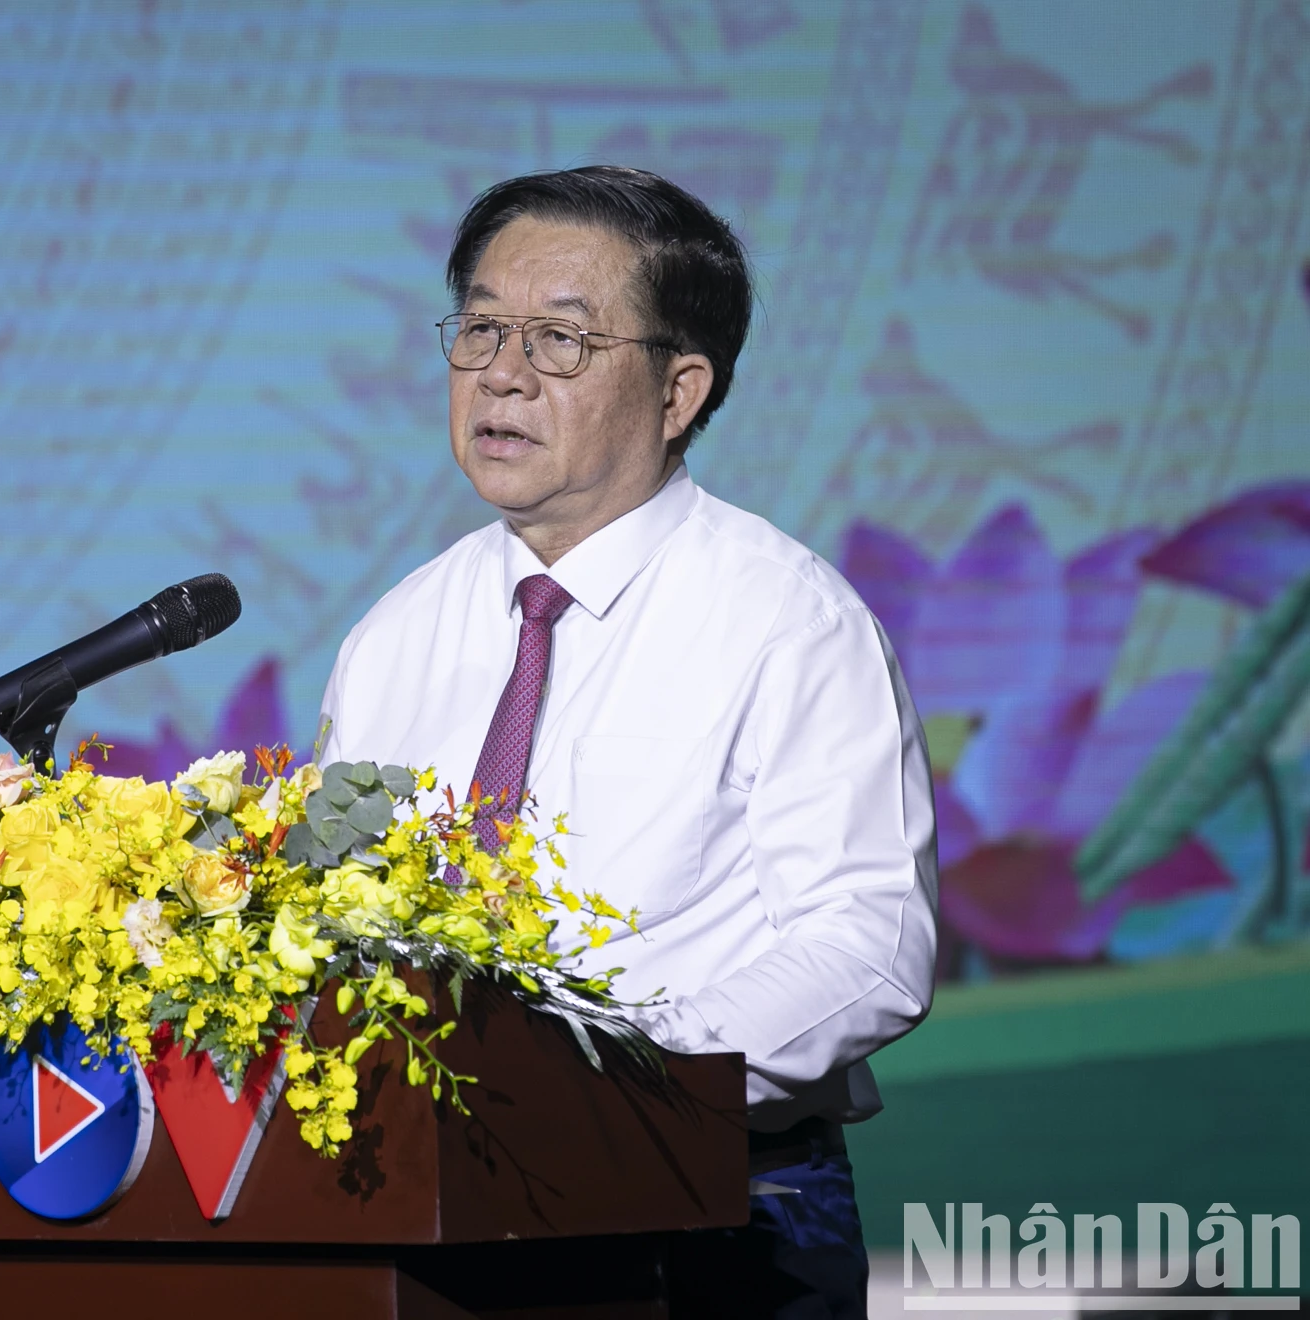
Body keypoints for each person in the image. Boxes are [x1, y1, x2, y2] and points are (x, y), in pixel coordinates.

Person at [317, 166, 938, 1318]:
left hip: (718, 1209)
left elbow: (869, 945)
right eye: (484, 327)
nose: (502, 371)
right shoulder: (394, 637)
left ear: (679, 389)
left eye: (560, 339)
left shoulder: (787, 619)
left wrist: (610, 1079)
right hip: (434, 1211)